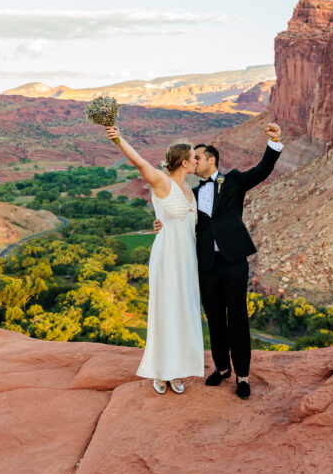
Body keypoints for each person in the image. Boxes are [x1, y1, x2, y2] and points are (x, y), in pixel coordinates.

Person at [156, 123, 283, 399]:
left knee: (238, 318)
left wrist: (274, 142)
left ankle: (243, 376)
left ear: (211, 159)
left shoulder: (235, 180)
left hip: (235, 261)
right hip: (206, 265)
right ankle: (222, 368)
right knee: (214, 319)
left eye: (198, 157)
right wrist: (161, 224)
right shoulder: (191, 191)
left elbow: (262, 170)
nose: (194, 161)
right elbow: (180, 218)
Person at [104, 124, 204, 394]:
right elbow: (140, 163)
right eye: (194, 157)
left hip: (186, 259)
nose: (197, 161)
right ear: (184, 162)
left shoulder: (189, 191)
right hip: (167, 255)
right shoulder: (163, 182)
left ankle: (177, 370)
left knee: (183, 311)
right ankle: (160, 372)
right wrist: (119, 139)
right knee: (165, 311)